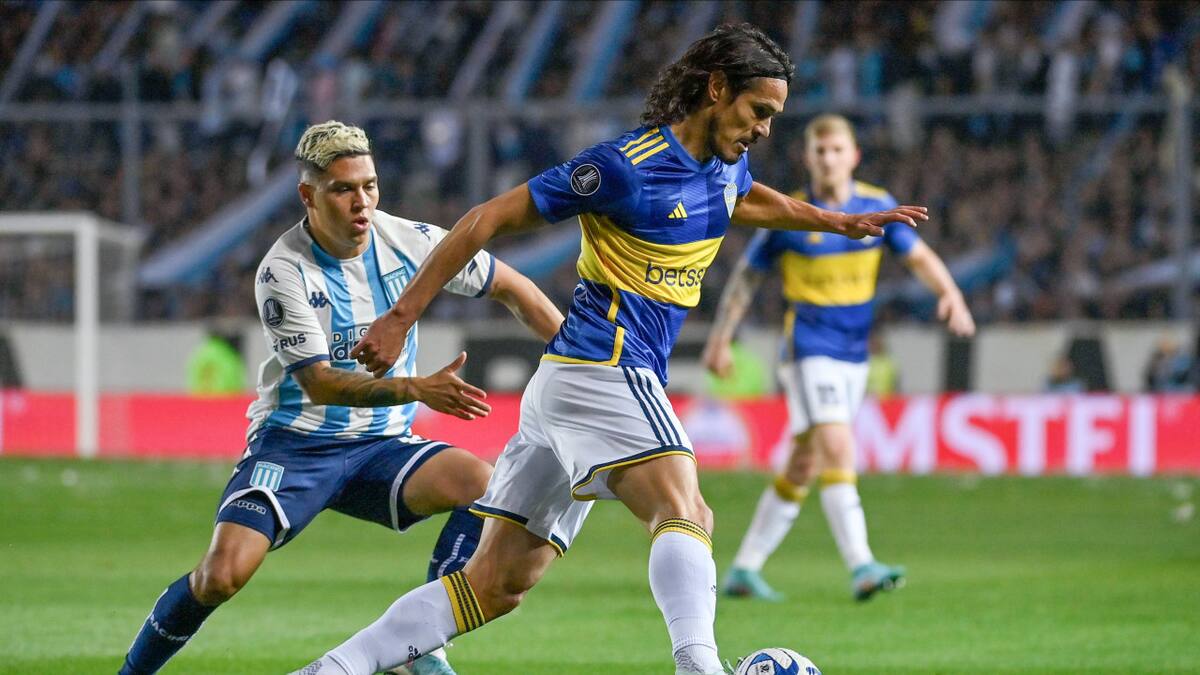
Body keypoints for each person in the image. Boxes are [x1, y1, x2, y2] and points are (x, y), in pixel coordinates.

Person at [293, 25, 927, 675]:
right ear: (716, 89)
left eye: (773, 116)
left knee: (495, 584)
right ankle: (699, 665)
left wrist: (833, 221)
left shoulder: (728, 163)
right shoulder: (624, 168)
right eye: (758, 111)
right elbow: (486, 218)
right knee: (686, 509)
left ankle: (336, 668)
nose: (765, 129)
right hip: (607, 365)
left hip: (564, 386)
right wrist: (401, 316)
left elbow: (745, 197)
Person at [118, 121, 564, 675]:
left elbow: (513, 287)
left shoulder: (414, 242)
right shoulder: (283, 270)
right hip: (294, 446)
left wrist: (581, 359)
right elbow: (320, 384)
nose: (362, 202)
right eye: (343, 189)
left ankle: (420, 649)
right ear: (308, 195)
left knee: (486, 486)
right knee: (221, 576)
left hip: (381, 446)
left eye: (370, 186)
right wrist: (415, 388)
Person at [702, 114, 975, 604]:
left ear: (854, 156)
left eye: (836, 150)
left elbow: (917, 256)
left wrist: (950, 293)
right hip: (808, 348)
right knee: (837, 446)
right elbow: (746, 278)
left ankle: (744, 569)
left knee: (804, 462)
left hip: (854, 353)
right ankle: (861, 565)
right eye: (819, 151)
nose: (828, 159)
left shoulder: (876, 206)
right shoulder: (791, 212)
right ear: (808, 158)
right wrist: (721, 338)